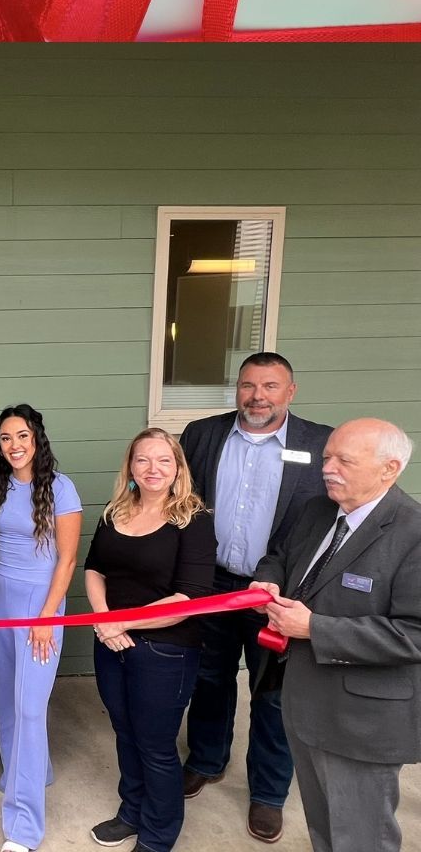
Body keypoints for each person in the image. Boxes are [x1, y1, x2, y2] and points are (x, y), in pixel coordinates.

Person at [179, 352, 332, 843]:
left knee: (273, 694)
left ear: (291, 391)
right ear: (236, 389)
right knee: (209, 678)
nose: (257, 396)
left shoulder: (320, 443)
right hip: (213, 584)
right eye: (248, 385)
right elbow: (183, 506)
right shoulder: (202, 434)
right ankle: (206, 760)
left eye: (270, 386)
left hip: (278, 593)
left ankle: (268, 793)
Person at [251, 418, 420, 852]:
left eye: (345, 460)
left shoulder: (413, 533)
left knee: (361, 837)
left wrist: (313, 628)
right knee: (323, 828)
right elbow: (280, 557)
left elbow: (413, 635)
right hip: (303, 702)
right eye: (328, 456)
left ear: (390, 468)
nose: (328, 468)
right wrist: (265, 582)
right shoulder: (317, 509)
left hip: (361, 720)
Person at [85, 427, 216, 852]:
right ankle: (132, 811)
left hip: (166, 651)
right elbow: (94, 569)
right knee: (124, 731)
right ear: (131, 467)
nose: (153, 468)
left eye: (163, 460)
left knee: (156, 744)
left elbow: (189, 599)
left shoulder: (193, 521)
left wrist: (122, 624)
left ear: (178, 467)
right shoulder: (115, 513)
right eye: (143, 460)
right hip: (111, 644)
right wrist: (105, 620)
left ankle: (159, 835)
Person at [0, 403, 81, 852]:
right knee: (6, 695)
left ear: (36, 438)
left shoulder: (61, 488)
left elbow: (68, 559)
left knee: (30, 706)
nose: (14, 445)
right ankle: (27, 771)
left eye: (21, 436)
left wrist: (46, 618)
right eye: (5, 438)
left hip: (40, 605)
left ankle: (23, 828)